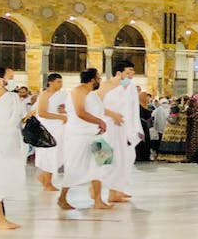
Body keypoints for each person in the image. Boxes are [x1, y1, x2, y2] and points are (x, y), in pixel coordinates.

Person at [57, 68, 111, 211]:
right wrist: (99, 121)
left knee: (102, 164)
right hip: (79, 136)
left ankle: (98, 200)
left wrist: (100, 123)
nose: (100, 80)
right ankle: (62, 197)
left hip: (95, 135)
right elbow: (80, 112)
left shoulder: (92, 94)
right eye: (99, 78)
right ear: (92, 79)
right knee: (75, 166)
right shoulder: (78, 91)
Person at [101, 60, 139, 204]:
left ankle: (117, 190)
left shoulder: (129, 87)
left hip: (123, 129)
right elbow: (96, 105)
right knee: (107, 160)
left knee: (125, 159)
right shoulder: (106, 86)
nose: (132, 74)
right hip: (107, 127)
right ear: (119, 73)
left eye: (133, 72)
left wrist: (134, 129)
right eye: (128, 72)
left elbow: (132, 109)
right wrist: (112, 115)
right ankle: (101, 191)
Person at [0, 67, 25, 229]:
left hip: (10, 142)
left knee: (3, 179)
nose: (13, 80)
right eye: (11, 77)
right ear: (0, 80)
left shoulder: (12, 96)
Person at [34, 73, 66, 192]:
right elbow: (42, 112)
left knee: (56, 154)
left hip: (59, 130)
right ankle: (47, 182)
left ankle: (45, 178)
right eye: (58, 82)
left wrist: (65, 110)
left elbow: (69, 107)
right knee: (48, 154)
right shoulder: (45, 95)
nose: (61, 84)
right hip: (48, 129)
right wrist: (60, 117)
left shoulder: (63, 95)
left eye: (61, 82)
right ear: (50, 82)